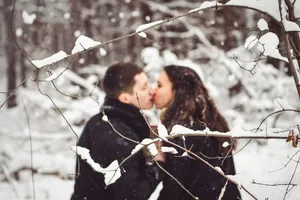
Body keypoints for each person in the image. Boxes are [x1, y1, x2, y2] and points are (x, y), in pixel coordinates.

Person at [71, 62, 165, 200]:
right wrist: (158, 166)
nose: (152, 91)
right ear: (124, 97)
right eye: (144, 87)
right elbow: (132, 196)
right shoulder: (119, 135)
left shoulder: (100, 121)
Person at [153, 65, 241, 200]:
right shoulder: (211, 123)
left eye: (159, 85)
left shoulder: (184, 132)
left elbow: (174, 189)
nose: (154, 91)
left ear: (178, 90)